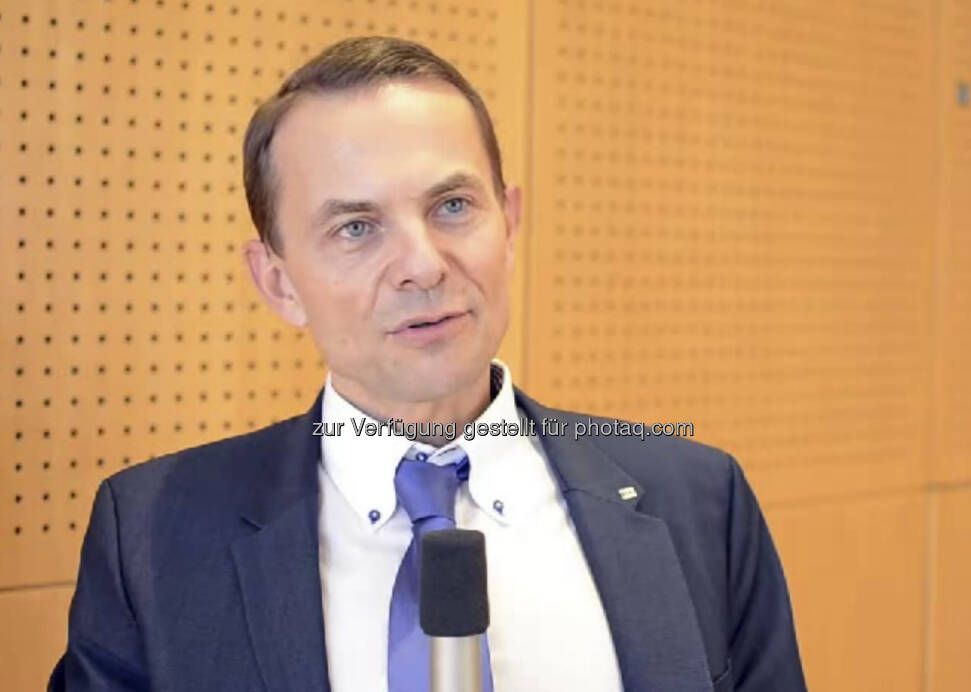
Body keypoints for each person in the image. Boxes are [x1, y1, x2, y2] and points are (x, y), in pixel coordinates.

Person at [48, 36, 806, 692]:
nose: (423, 265)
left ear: (509, 224)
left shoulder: (700, 502)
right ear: (279, 284)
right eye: (356, 227)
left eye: (452, 207)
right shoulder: (152, 534)